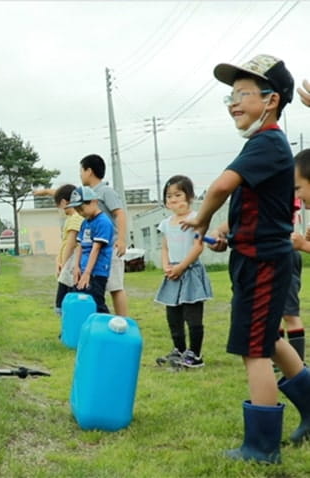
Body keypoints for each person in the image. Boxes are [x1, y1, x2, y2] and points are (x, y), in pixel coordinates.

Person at [182, 54, 308, 464]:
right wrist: (227, 235)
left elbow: (221, 186)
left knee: (253, 349)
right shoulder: (264, 145)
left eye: (242, 94)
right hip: (258, 257)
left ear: (270, 100)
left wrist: (200, 219)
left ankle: (260, 448)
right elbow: (256, 209)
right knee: (268, 339)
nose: (233, 102)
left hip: (265, 265)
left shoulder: (268, 141)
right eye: (230, 96)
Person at [154, 175, 213, 369]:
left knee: (193, 315)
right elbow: (164, 247)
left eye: (178, 195)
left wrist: (182, 267)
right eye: (169, 196)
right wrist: (167, 266)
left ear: (190, 196)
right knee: (173, 316)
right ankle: (178, 350)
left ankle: (195, 354)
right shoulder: (165, 223)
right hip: (172, 272)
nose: (173, 199)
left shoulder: (196, 219)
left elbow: (197, 247)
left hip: (190, 271)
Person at [78, 154, 129, 317]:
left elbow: (120, 213)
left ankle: (123, 322)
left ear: (89, 171)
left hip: (110, 247)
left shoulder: (105, 191)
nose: (80, 174)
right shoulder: (87, 193)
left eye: (81, 170)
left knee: (115, 286)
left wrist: (121, 240)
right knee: (96, 287)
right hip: (94, 249)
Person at [69, 186, 114, 314]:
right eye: (77, 210)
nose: (80, 212)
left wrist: (87, 273)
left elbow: (96, 249)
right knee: (79, 302)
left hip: (96, 272)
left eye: (81, 208)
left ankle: (107, 329)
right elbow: (79, 246)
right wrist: (76, 267)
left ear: (94, 202)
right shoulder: (85, 223)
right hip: (83, 270)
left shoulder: (103, 222)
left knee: (96, 303)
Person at [280, 198, 305, 363]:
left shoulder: (286, 188)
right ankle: (279, 359)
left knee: (289, 313)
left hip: (284, 253)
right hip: (265, 256)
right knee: (271, 315)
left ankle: (297, 362)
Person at [53, 184, 84, 316]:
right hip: (67, 263)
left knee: (65, 302)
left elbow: (71, 244)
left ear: (64, 202)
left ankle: (70, 330)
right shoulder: (71, 218)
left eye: (58, 206)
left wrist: (63, 264)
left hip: (70, 265)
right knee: (65, 302)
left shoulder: (75, 218)